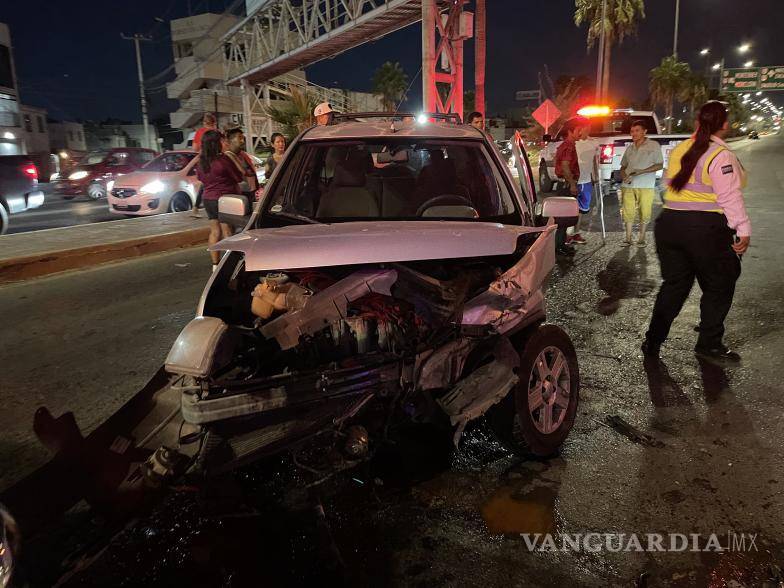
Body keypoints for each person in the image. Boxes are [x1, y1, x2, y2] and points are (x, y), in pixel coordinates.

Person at [642, 101, 751, 364]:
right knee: (720, 282)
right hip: (704, 229)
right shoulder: (719, 154)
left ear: (698, 122)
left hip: (669, 224)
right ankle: (709, 344)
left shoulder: (681, 148)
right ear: (724, 124)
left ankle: (653, 341)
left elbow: (668, 184)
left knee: (675, 286)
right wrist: (743, 229)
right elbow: (729, 196)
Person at [195, 130, 242, 273]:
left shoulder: (202, 161)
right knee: (227, 231)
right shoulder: (223, 160)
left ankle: (215, 264)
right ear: (216, 143)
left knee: (214, 231)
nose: (226, 143)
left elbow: (201, 179)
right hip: (225, 199)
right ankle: (230, 264)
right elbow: (239, 177)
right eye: (223, 141)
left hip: (208, 199)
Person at [619, 120, 664, 246]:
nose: (634, 133)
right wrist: (624, 176)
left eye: (637, 130)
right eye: (632, 131)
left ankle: (642, 238)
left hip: (646, 185)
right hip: (628, 185)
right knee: (628, 212)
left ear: (644, 131)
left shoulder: (653, 145)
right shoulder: (630, 147)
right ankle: (627, 238)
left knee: (645, 211)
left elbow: (659, 165)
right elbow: (622, 167)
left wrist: (641, 171)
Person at [553, 116, 589, 255]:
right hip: (566, 185)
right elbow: (565, 166)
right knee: (563, 219)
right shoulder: (568, 146)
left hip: (565, 184)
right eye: (578, 130)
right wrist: (573, 185)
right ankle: (559, 247)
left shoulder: (567, 145)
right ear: (571, 131)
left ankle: (561, 245)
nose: (581, 133)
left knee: (563, 218)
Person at [571, 125, 600, 244]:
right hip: (573, 180)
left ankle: (575, 234)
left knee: (582, 210)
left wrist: (595, 175)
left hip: (586, 180)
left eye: (588, 128)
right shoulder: (572, 143)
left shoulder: (593, 143)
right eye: (583, 128)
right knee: (570, 209)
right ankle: (568, 235)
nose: (586, 131)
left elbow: (594, 160)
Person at [223, 127, 259, 196]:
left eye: (243, 138)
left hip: (251, 191)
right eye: (239, 138)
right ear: (230, 140)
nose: (243, 141)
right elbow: (243, 172)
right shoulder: (227, 157)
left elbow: (252, 171)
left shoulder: (243, 154)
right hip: (239, 193)